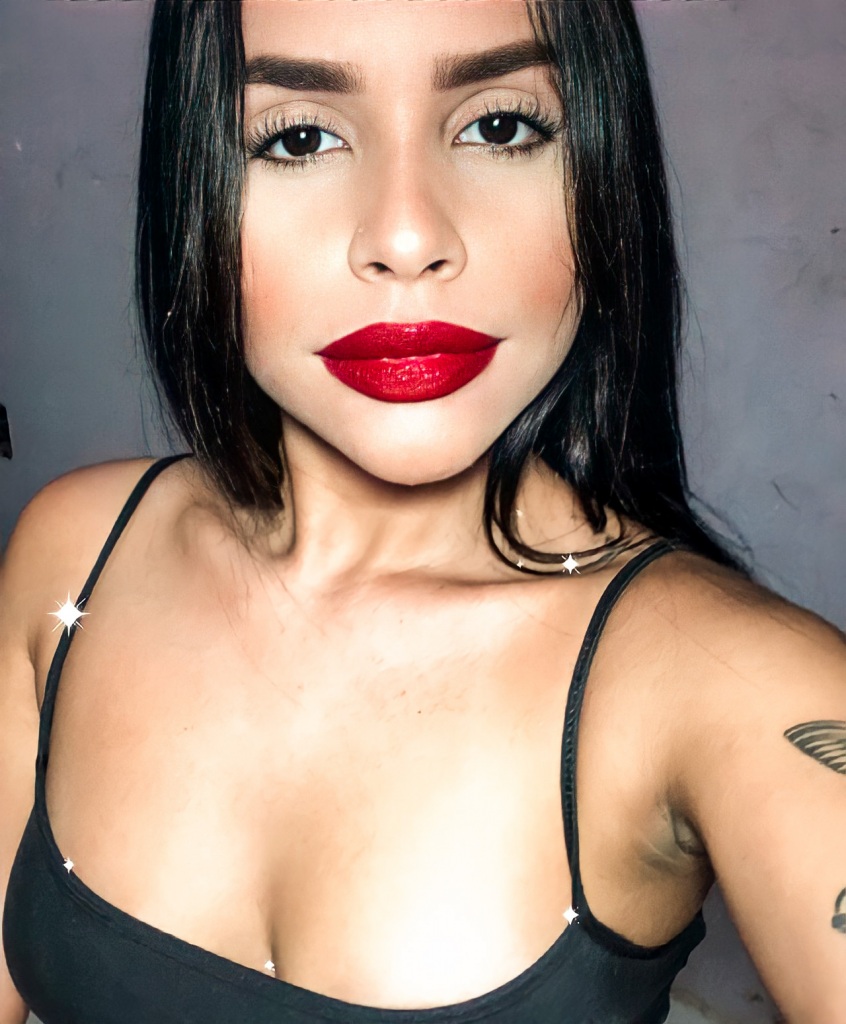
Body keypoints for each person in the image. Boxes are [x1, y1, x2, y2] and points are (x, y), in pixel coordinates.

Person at [1, 0, 844, 1021]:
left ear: (602, 166)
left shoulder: (738, 684)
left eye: (500, 126)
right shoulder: (76, 554)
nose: (406, 239)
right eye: (299, 139)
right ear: (193, 180)